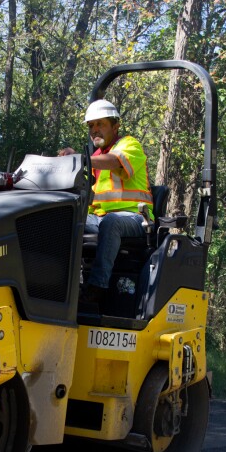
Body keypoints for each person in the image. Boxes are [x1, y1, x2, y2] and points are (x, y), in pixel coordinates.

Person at [58, 99, 152, 305]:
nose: (95, 130)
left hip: (136, 219)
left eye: (100, 124)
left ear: (115, 126)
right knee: (66, 218)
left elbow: (116, 161)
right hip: (99, 218)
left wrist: (81, 158)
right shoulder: (95, 157)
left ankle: (96, 289)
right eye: (91, 125)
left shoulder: (129, 145)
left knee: (112, 222)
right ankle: (62, 284)